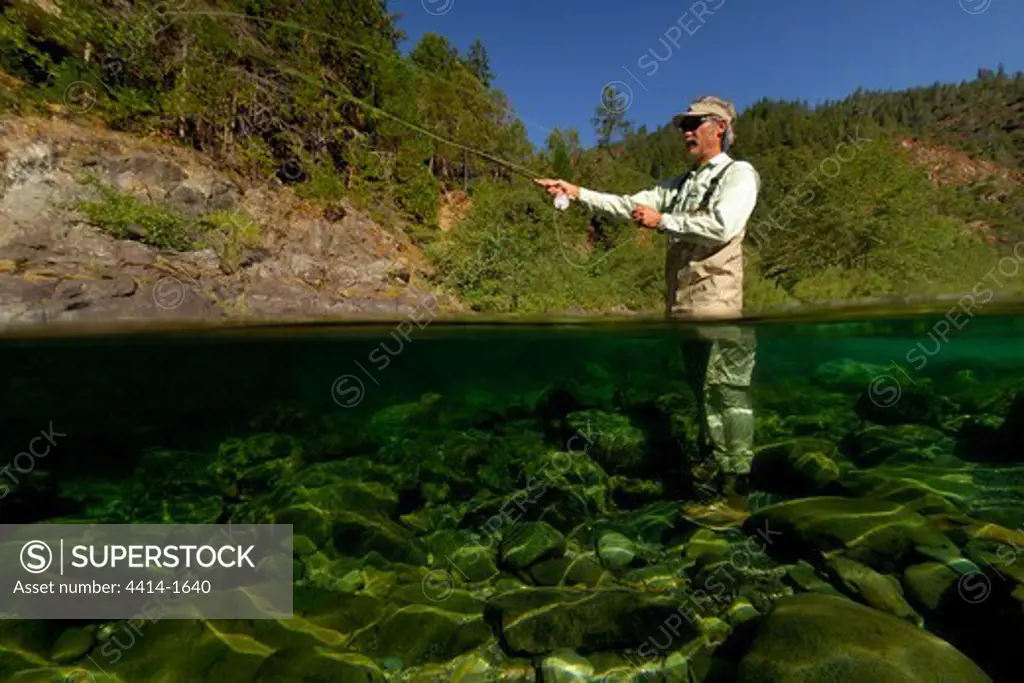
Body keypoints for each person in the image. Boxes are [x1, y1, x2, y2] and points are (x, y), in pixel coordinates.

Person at [536, 95, 760, 528]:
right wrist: (576, 192)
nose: (686, 131)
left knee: (726, 394)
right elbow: (625, 203)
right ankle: (714, 475)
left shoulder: (739, 174)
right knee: (703, 395)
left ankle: (736, 495)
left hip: (718, 306)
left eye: (694, 123)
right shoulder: (678, 184)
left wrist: (664, 222)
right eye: (683, 125)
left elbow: (724, 225)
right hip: (683, 306)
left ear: (720, 128)